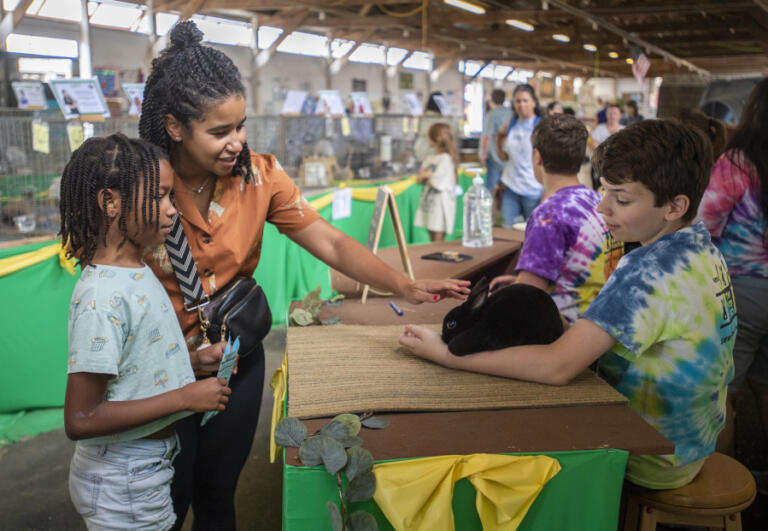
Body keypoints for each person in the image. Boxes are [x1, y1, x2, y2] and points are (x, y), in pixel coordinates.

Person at [138, 21, 470, 529]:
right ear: (175, 127)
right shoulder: (142, 185)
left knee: (217, 494)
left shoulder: (262, 177)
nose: (236, 142)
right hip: (157, 369)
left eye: (242, 126)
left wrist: (401, 283)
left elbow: (331, 241)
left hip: (234, 363)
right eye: (220, 131)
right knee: (164, 500)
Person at [401, 120, 736, 490]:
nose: (604, 207)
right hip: (692, 443)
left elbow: (558, 366)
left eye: (621, 199)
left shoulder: (649, 270)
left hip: (651, 456)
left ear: (675, 206)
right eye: (604, 190)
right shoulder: (700, 246)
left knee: (497, 433)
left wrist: (446, 356)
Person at [60, 134, 232, 530]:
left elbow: (130, 367)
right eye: (159, 197)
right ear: (110, 202)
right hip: (124, 477)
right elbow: (81, 418)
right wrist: (185, 397)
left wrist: (190, 363)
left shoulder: (138, 268)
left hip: (144, 467)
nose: (172, 211)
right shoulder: (102, 297)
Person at [696, 78, 768, 474]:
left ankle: (720, 480)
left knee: (722, 389)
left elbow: (705, 225)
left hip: (742, 291)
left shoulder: (738, 163)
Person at [489, 115, 623, 324]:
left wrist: (515, 287)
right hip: (600, 324)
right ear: (581, 158)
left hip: (562, 330)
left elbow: (527, 295)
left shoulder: (549, 215)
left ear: (537, 157)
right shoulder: (598, 201)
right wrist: (521, 280)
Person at [496, 84, 543, 226]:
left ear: (534, 103)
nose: (521, 104)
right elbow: (504, 157)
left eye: (525, 100)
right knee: (506, 230)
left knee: (534, 233)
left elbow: (548, 161)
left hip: (534, 190)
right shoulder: (511, 124)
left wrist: (547, 191)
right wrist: (498, 137)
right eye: (518, 101)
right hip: (510, 187)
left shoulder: (540, 125)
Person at [414, 123, 458, 242]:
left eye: (429, 136)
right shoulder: (430, 158)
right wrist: (426, 176)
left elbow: (436, 181)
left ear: (437, 138)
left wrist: (427, 175)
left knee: (438, 239)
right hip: (429, 204)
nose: (427, 139)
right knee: (431, 238)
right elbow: (419, 178)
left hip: (440, 206)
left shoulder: (446, 159)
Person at [479, 89, 511, 199]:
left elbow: (487, 137)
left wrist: (483, 154)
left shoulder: (491, 115)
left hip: (494, 158)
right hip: (508, 157)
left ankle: (489, 212)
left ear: (491, 100)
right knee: (507, 188)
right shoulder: (511, 113)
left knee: (489, 188)